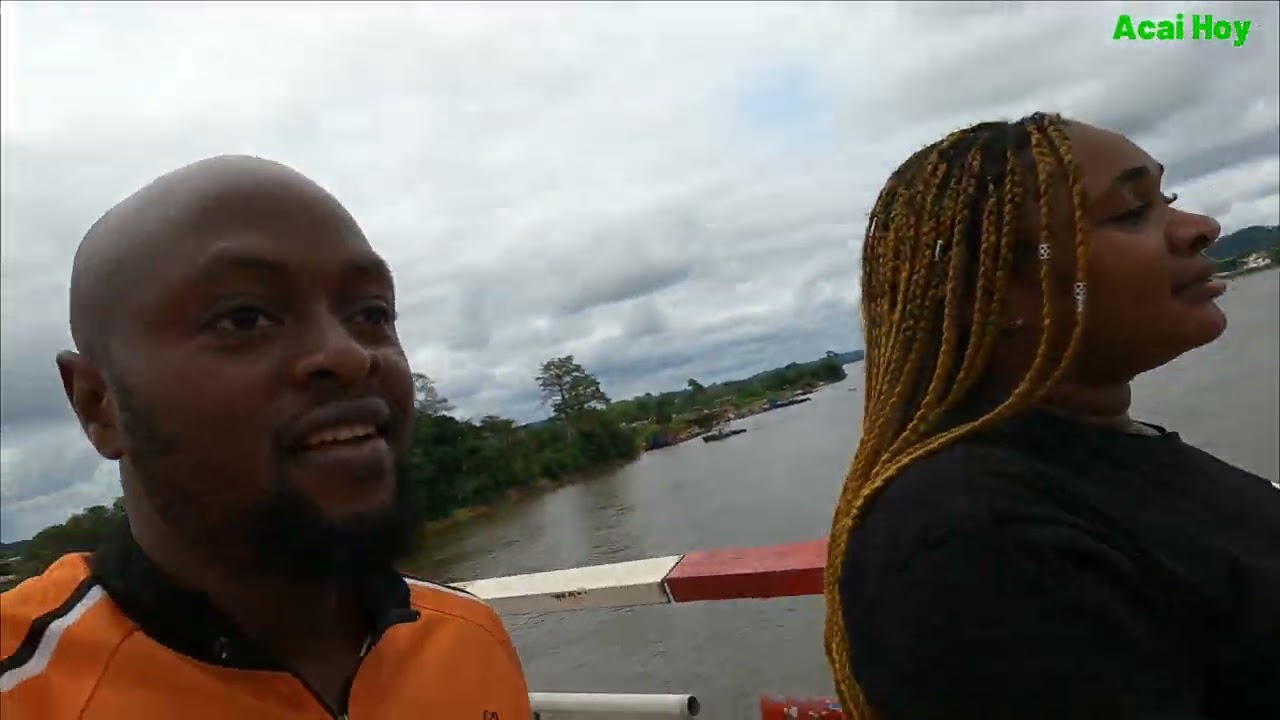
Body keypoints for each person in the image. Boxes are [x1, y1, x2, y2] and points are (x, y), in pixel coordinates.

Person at [0, 156, 532, 719]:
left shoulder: (472, 639)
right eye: (246, 319)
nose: (348, 355)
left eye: (372, 313)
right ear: (97, 404)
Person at [823, 113, 1279, 720]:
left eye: (1166, 199)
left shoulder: (1095, 453)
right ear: (999, 296)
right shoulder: (982, 544)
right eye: (1130, 212)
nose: (1201, 228)